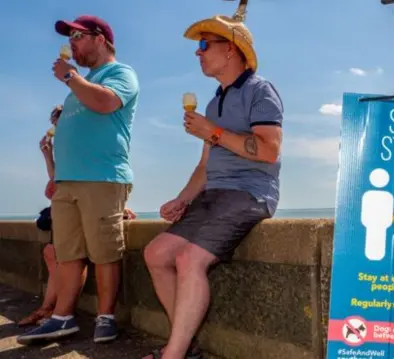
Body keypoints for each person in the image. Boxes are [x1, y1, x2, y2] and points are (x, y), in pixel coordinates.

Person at [142, 5, 284, 359]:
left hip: (249, 194)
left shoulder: (260, 91)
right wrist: (182, 199)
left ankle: (172, 355)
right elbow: (206, 165)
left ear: (230, 49)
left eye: (205, 45)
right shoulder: (214, 102)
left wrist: (214, 132)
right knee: (156, 253)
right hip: (213, 195)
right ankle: (185, 345)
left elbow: (269, 151)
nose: (198, 52)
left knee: (190, 260)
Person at [18, 15, 139, 345]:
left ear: (100, 39)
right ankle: (62, 318)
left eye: (78, 36)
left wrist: (71, 77)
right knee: (67, 254)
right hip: (67, 183)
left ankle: (106, 318)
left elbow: (106, 102)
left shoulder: (120, 73)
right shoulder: (78, 88)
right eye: (69, 37)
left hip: (102, 178)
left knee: (104, 252)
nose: (71, 42)